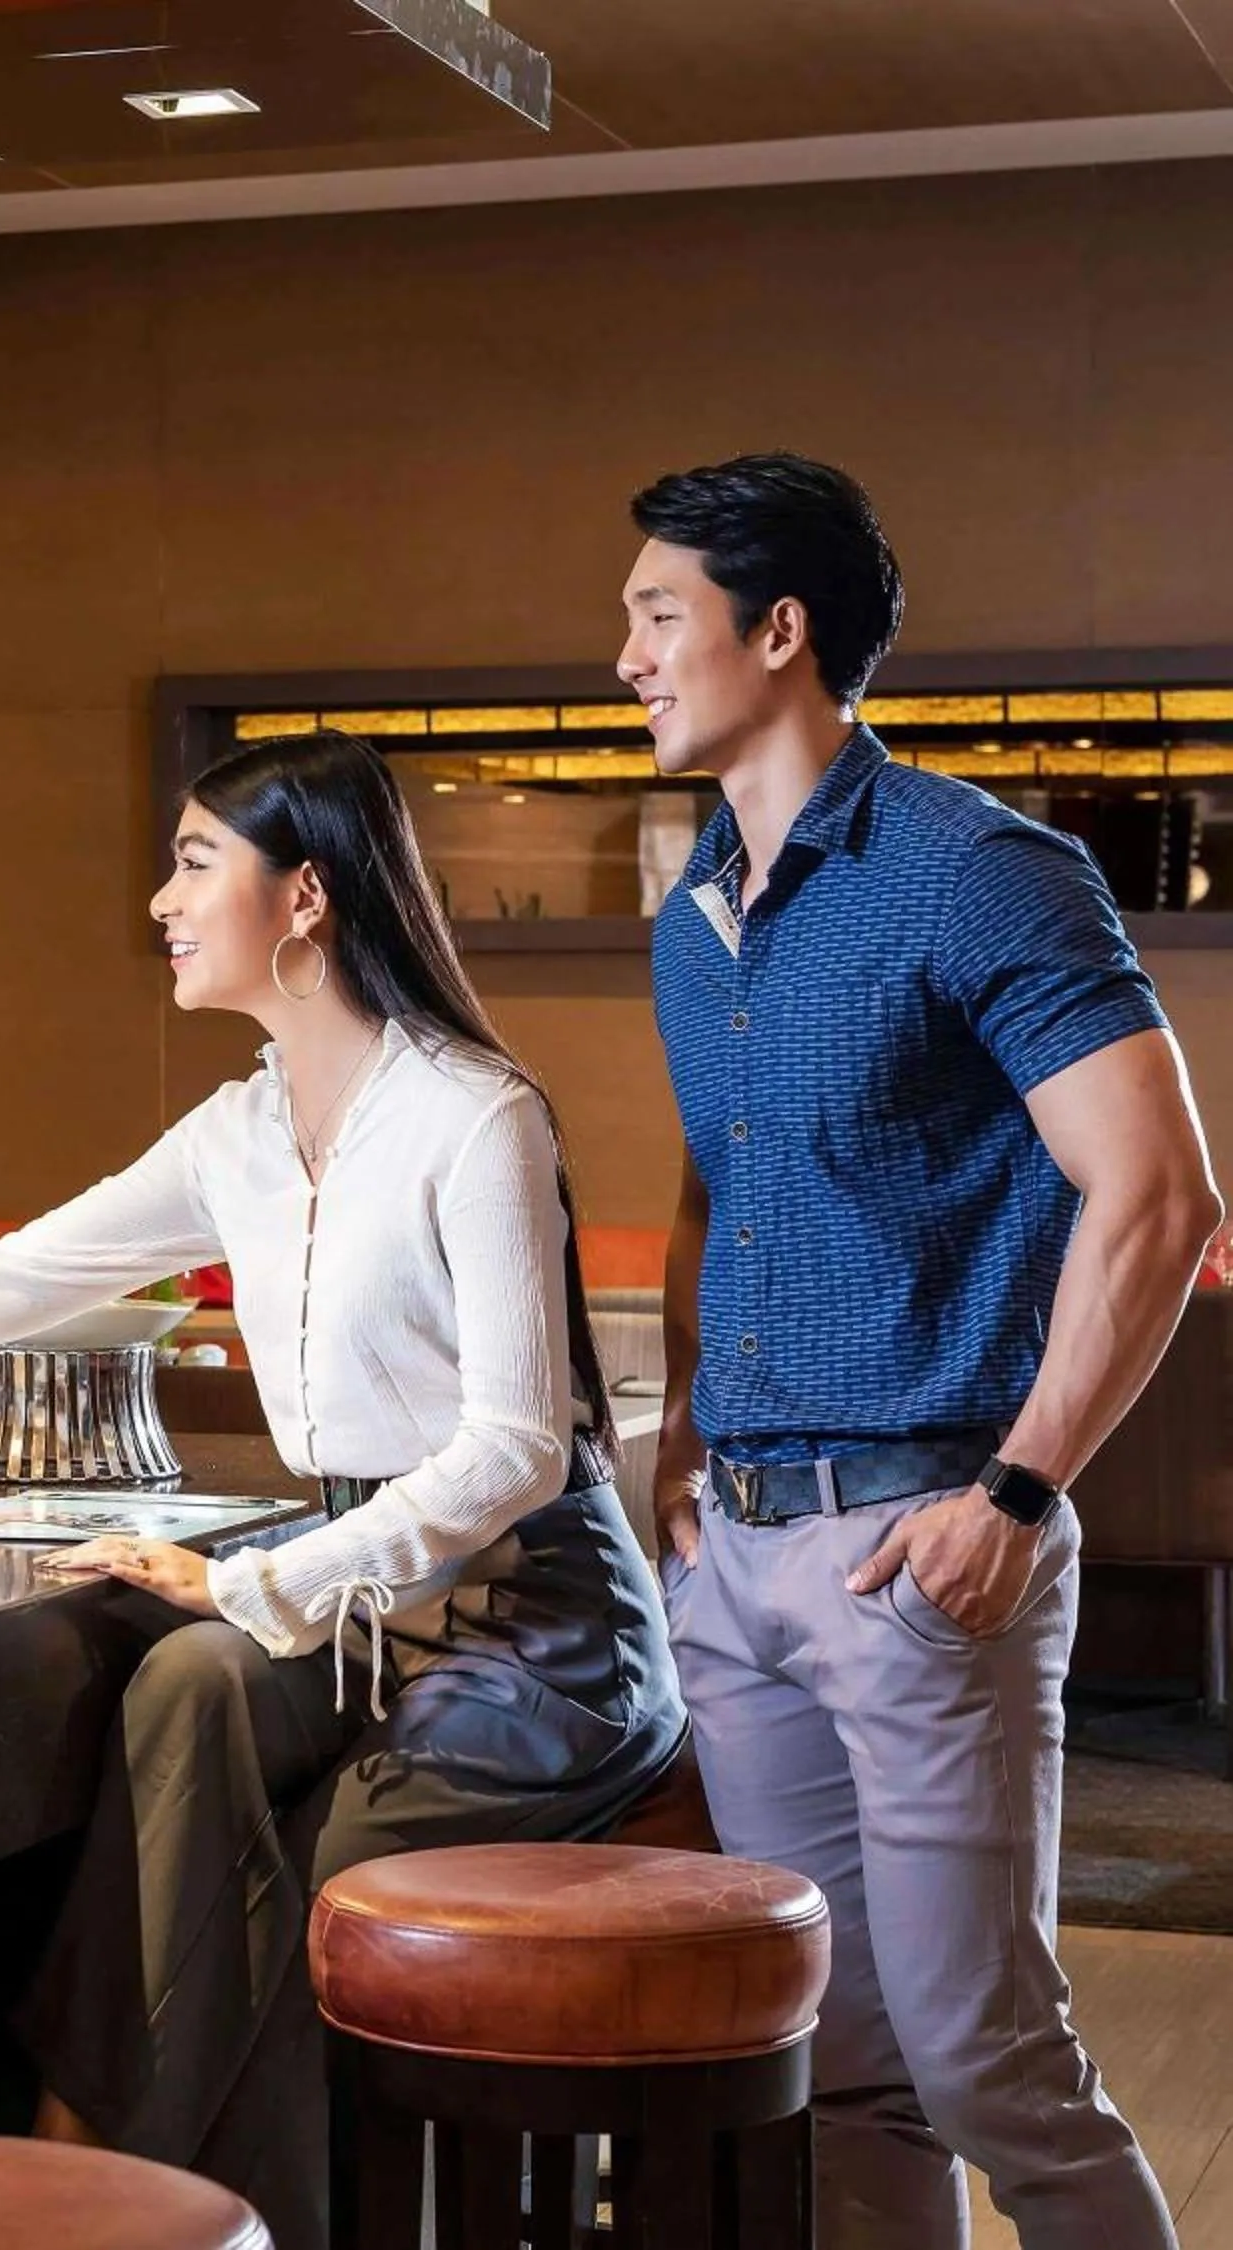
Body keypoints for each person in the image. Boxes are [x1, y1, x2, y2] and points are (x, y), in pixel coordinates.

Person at [0, 730, 683, 2244]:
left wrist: (251, 1581)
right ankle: (97, 2175)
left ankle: (197, 2201)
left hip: (537, 1623)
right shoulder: (240, 1128)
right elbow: (6, 1282)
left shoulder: (474, 1114)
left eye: (194, 862)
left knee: (332, 1876)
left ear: (303, 897)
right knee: (182, 1696)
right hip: (363, 1603)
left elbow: (516, 1450)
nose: (160, 898)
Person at [629, 453, 1218, 2248]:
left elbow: (1160, 1198)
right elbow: (717, 1191)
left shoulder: (984, 874)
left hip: (925, 1552)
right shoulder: (695, 917)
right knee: (842, 2066)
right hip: (738, 1554)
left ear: (778, 629)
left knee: (983, 2059)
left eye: (658, 617)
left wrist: (1020, 1495)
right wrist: (677, 1444)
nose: (628, 661)